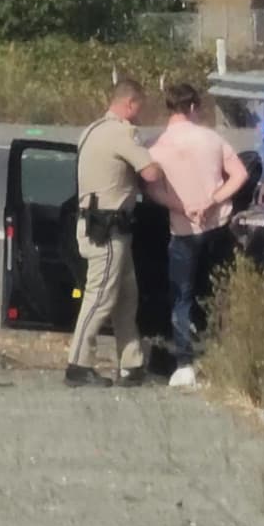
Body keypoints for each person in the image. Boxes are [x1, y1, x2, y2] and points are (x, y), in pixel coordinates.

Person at [66, 78, 179, 388]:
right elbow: (150, 172)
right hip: (109, 229)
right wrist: (161, 162)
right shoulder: (123, 134)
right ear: (130, 104)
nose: (140, 114)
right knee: (100, 297)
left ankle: (132, 364)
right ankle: (78, 364)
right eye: (139, 107)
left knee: (126, 299)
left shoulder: (91, 131)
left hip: (94, 224)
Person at [148, 83, 251, 388]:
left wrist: (184, 207)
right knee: (219, 293)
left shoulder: (158, 147)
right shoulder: (212, 138)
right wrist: (213, 200)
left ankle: (185, 363)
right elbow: (241, 175)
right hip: (218, 225)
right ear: (193, 107)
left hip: (182, 229)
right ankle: (220, 354)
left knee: (182, 297)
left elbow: (151, 189)